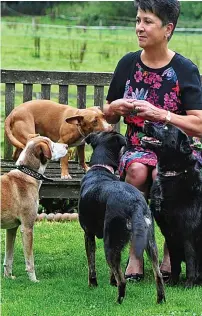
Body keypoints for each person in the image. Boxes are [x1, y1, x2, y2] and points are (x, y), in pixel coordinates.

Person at [103, 0, 202, 282]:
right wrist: (116, 107)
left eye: (147, 21)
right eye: (137, 20)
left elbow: (199, 124)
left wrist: (163, 115)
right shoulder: (127, 63)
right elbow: (107, 113)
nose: (139, 28)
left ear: (167, 29)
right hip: (137, 146)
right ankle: (136, 254)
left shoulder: (184, 69)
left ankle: (173, 252)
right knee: (137, 170)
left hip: (176, 153)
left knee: (164, 172)